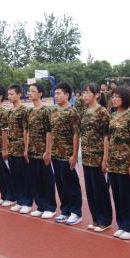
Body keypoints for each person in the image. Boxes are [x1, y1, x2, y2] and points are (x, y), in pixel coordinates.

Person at [108, 86, 130, 240]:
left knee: (128, 195)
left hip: (126, 161)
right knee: (117, 194)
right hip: (113, 161)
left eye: (117, 96)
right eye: (113, 96)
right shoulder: (113, 115)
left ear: (125, 98)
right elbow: (109, 139)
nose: (114, 99)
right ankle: (122, 224)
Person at [80, 83, 113, 232]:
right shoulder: (85, 112)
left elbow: (107, 136)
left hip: (98, 157)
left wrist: (105, 158)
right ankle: (96, 219)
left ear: (97, 95)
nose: (84, 96)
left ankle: (105, 220)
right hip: (86, 157)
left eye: (88, 93)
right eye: (83, 93)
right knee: (91, 190)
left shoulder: (102, 112)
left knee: (100, 190)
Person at [50, 82, 83, 225]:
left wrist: (74, 155)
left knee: (71, 184)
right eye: (55, 93)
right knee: (60, 183)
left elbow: (76, 134)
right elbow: (52, 133)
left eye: (58, 93)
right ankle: (65, 210)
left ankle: (76, 212)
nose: (55, 96)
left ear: (67, 95)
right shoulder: (54, 112)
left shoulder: (72, 112)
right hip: (56, 154)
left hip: (67, 154)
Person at [24, 83, 57, 219]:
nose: (30, 93)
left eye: (33, 91)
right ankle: (40, 206)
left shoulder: (46, 111)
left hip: (43, 152)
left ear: (40, 94)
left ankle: (50, 207)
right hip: (32, 151)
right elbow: (27, 131)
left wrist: (48, 150)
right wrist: (26, 148)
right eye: (29, 91)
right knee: (35, 179)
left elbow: (50, 132)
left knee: (46, 180)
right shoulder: (29, 112)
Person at [5, 85, 33, 214]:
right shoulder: (10, 111)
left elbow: (26, 131)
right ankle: (20, 200)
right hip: (12, 149)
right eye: (8, 94)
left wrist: (26, 148)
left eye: (12, 94)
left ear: (19, 95)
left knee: (24, 176)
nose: (10, 96)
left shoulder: (24, 111)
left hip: (21, 148)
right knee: (15, 176)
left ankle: (27, 202)